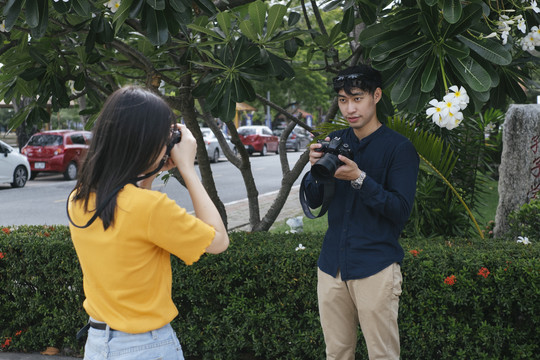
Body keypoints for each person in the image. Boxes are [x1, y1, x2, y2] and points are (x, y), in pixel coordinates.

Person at [67, 86, 229, 360]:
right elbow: (218, 242)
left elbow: (131, 218)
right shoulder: (150, 208)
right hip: (147, 347)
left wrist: (148, 173)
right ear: (146, 143)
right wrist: (188, 170)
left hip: (98, 344)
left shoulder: (79, 197)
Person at [302, 65, 419, 360]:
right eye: (343, 100)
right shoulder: (336, 141)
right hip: (331, 267)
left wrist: (359, 179)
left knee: (382, 355)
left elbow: (400, 211)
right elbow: (315, 201)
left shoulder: (400, 149)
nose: (349, 108)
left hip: (375, 267)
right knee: (337, 354)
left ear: (376, 96)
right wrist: (315, 170)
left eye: (357, 98)